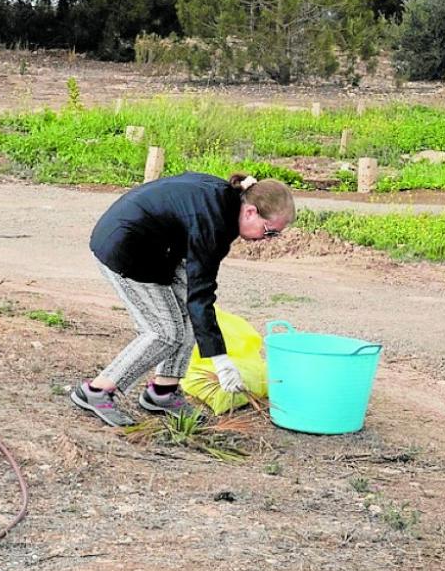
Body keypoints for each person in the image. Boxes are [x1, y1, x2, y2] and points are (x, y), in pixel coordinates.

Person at [71, 172, 296, 427]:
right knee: (164, 333)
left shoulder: (227, 204)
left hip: (158, 250)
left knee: (189, 318)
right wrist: (220, 360)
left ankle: (162, 392)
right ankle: (96, 391)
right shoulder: (215, 222)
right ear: (251, 212)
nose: (266, 240)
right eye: (269, 232)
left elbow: (198, 292)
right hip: (126, 249)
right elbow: (201, 293)